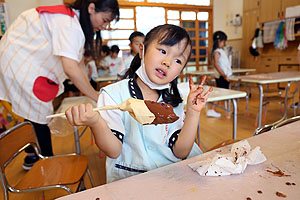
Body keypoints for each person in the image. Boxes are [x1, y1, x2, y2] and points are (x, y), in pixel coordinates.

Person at [65, 24, 213, 183]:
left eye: (178, 60)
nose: (167, 62)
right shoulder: (113, 94)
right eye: (163, 51)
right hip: (131, 179)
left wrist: (193, 112)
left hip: (171, 173)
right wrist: (95, 122)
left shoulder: (173, 99)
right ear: (142, 50)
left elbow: (181, 152)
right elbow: (113, 151)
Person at [0, 0, 119, 170]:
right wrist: (95, 95)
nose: (104, 26)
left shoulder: (72, 21)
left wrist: (94, 94)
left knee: (35, 114)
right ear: (92, 8)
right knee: (39, 115)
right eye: (105, 20)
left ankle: (33, 155)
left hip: (24, 65)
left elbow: (78, 65)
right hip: (20, 66)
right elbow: (71, 67)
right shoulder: (69, 24)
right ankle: (46, 162)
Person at [206, 31, 232, 118]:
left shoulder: (221, 50)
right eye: (223, 41)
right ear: (219, 41)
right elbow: (216, 64)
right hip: (221, 76)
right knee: (220, 94)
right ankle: (212, 109)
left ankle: (213, 110)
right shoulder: (217, 51)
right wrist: (224, 75)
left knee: (222, 94)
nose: (224, 43)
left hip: (224, 75)